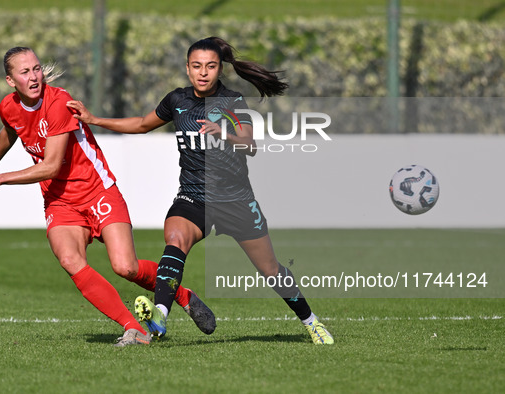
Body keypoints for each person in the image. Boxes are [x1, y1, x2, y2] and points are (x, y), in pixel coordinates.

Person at [66, 37, 334, 344]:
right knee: (175, 240)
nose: (203, 72)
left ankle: (311, 322)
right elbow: (142, 124)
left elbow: (250, 145)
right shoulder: (177, 100)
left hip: (235, 200)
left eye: (210, 66)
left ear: (220, 70)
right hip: (193, 196)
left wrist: (224, 132)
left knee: (270, 270)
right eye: (196, 66)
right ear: (187, 68)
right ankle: (160, 317)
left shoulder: (231, 102)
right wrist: (93, 119)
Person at [0, 47, 216, 347]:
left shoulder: (58, 102)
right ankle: (133, 328)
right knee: (69, 258)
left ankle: (181, 294)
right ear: (11, 81)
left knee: (126, 267)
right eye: (25, 72)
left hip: (97, 190)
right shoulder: (8, 106)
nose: (35, 76)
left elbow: (50, 166)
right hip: (60, 201)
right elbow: (11, 129)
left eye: (36, 68)